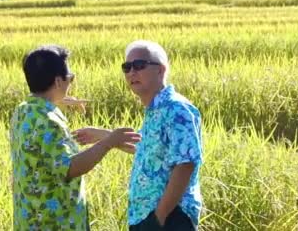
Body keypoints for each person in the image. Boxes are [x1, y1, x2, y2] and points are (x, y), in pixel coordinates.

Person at [74, 40, 203, 230]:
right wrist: (103, 135)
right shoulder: (155, 110)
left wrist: (160, 216)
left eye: (139, 65)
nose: (132, 72)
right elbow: (144, 146)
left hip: (170, 219)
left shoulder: (176, 109)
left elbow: (185, 164)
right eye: (127, 67)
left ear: (160, 70)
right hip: (148, 217)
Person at [10, 45, 141, 230]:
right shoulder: (48, 121)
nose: (71, 83)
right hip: (54, 222)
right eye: (70, 78)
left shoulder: (23, 111)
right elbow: (70, 168)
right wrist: (109, 141)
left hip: (29, 218)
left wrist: (57, 100)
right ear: (57, 82)